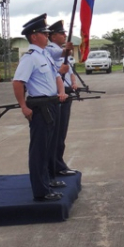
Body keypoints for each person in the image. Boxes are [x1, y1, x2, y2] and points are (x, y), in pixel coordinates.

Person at [12, 14, 69, 202]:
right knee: (39, 150)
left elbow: (57, 76)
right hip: (40, 107)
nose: (48, 36)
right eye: (45, 33)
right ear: (34, 36)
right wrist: (23, 106)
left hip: (52, 104)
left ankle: (49, 180)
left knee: (49, 146)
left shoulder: (44, 55)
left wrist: (61, 92)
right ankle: (41, 191)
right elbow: (18, 82)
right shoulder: (30, 58)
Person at [46, 20, 80, 180]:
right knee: (57, 133)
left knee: (62, 133)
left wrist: (73, 82)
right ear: (53, 36)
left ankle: (58, 163)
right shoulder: (50, 50)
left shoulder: (59, 50)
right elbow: (55, 72)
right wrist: (66, 52)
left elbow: (70, 69)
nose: (65, 35)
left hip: (65, 92)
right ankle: (55, 165)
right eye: (62, 33)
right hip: (57, 94)